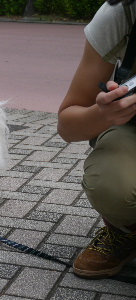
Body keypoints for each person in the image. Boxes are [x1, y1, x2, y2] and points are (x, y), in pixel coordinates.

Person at [58, 0, 136, 279]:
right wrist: (104, 114)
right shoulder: (123, 12)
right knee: (110, 182)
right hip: (132, 128)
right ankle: (125, 232)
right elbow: (67, 125)